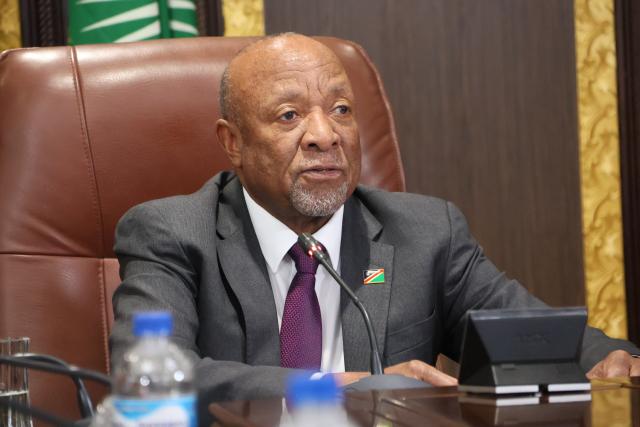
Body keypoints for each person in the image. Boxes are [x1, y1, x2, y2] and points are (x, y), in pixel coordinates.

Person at [110, 33, 640, 401]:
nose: (325, 134)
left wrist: (608, 357)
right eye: (290, 115)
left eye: (341, 110)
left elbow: (528, 336)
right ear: (234, 142)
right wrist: (346, 386)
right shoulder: (173, 234)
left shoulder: (427, 232)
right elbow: (152, 381)